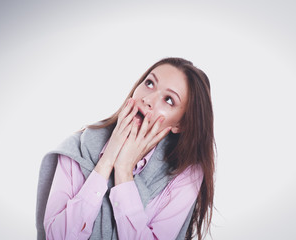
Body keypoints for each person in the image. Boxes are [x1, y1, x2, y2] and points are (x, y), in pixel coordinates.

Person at [36, 57, 215, 240]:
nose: (148, 99)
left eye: (169, 100)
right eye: (150, 83)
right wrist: (106, 162)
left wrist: (123, 170)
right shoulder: (78, 148)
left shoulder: (185, 174)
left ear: (181, 124)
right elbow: (56, 237)